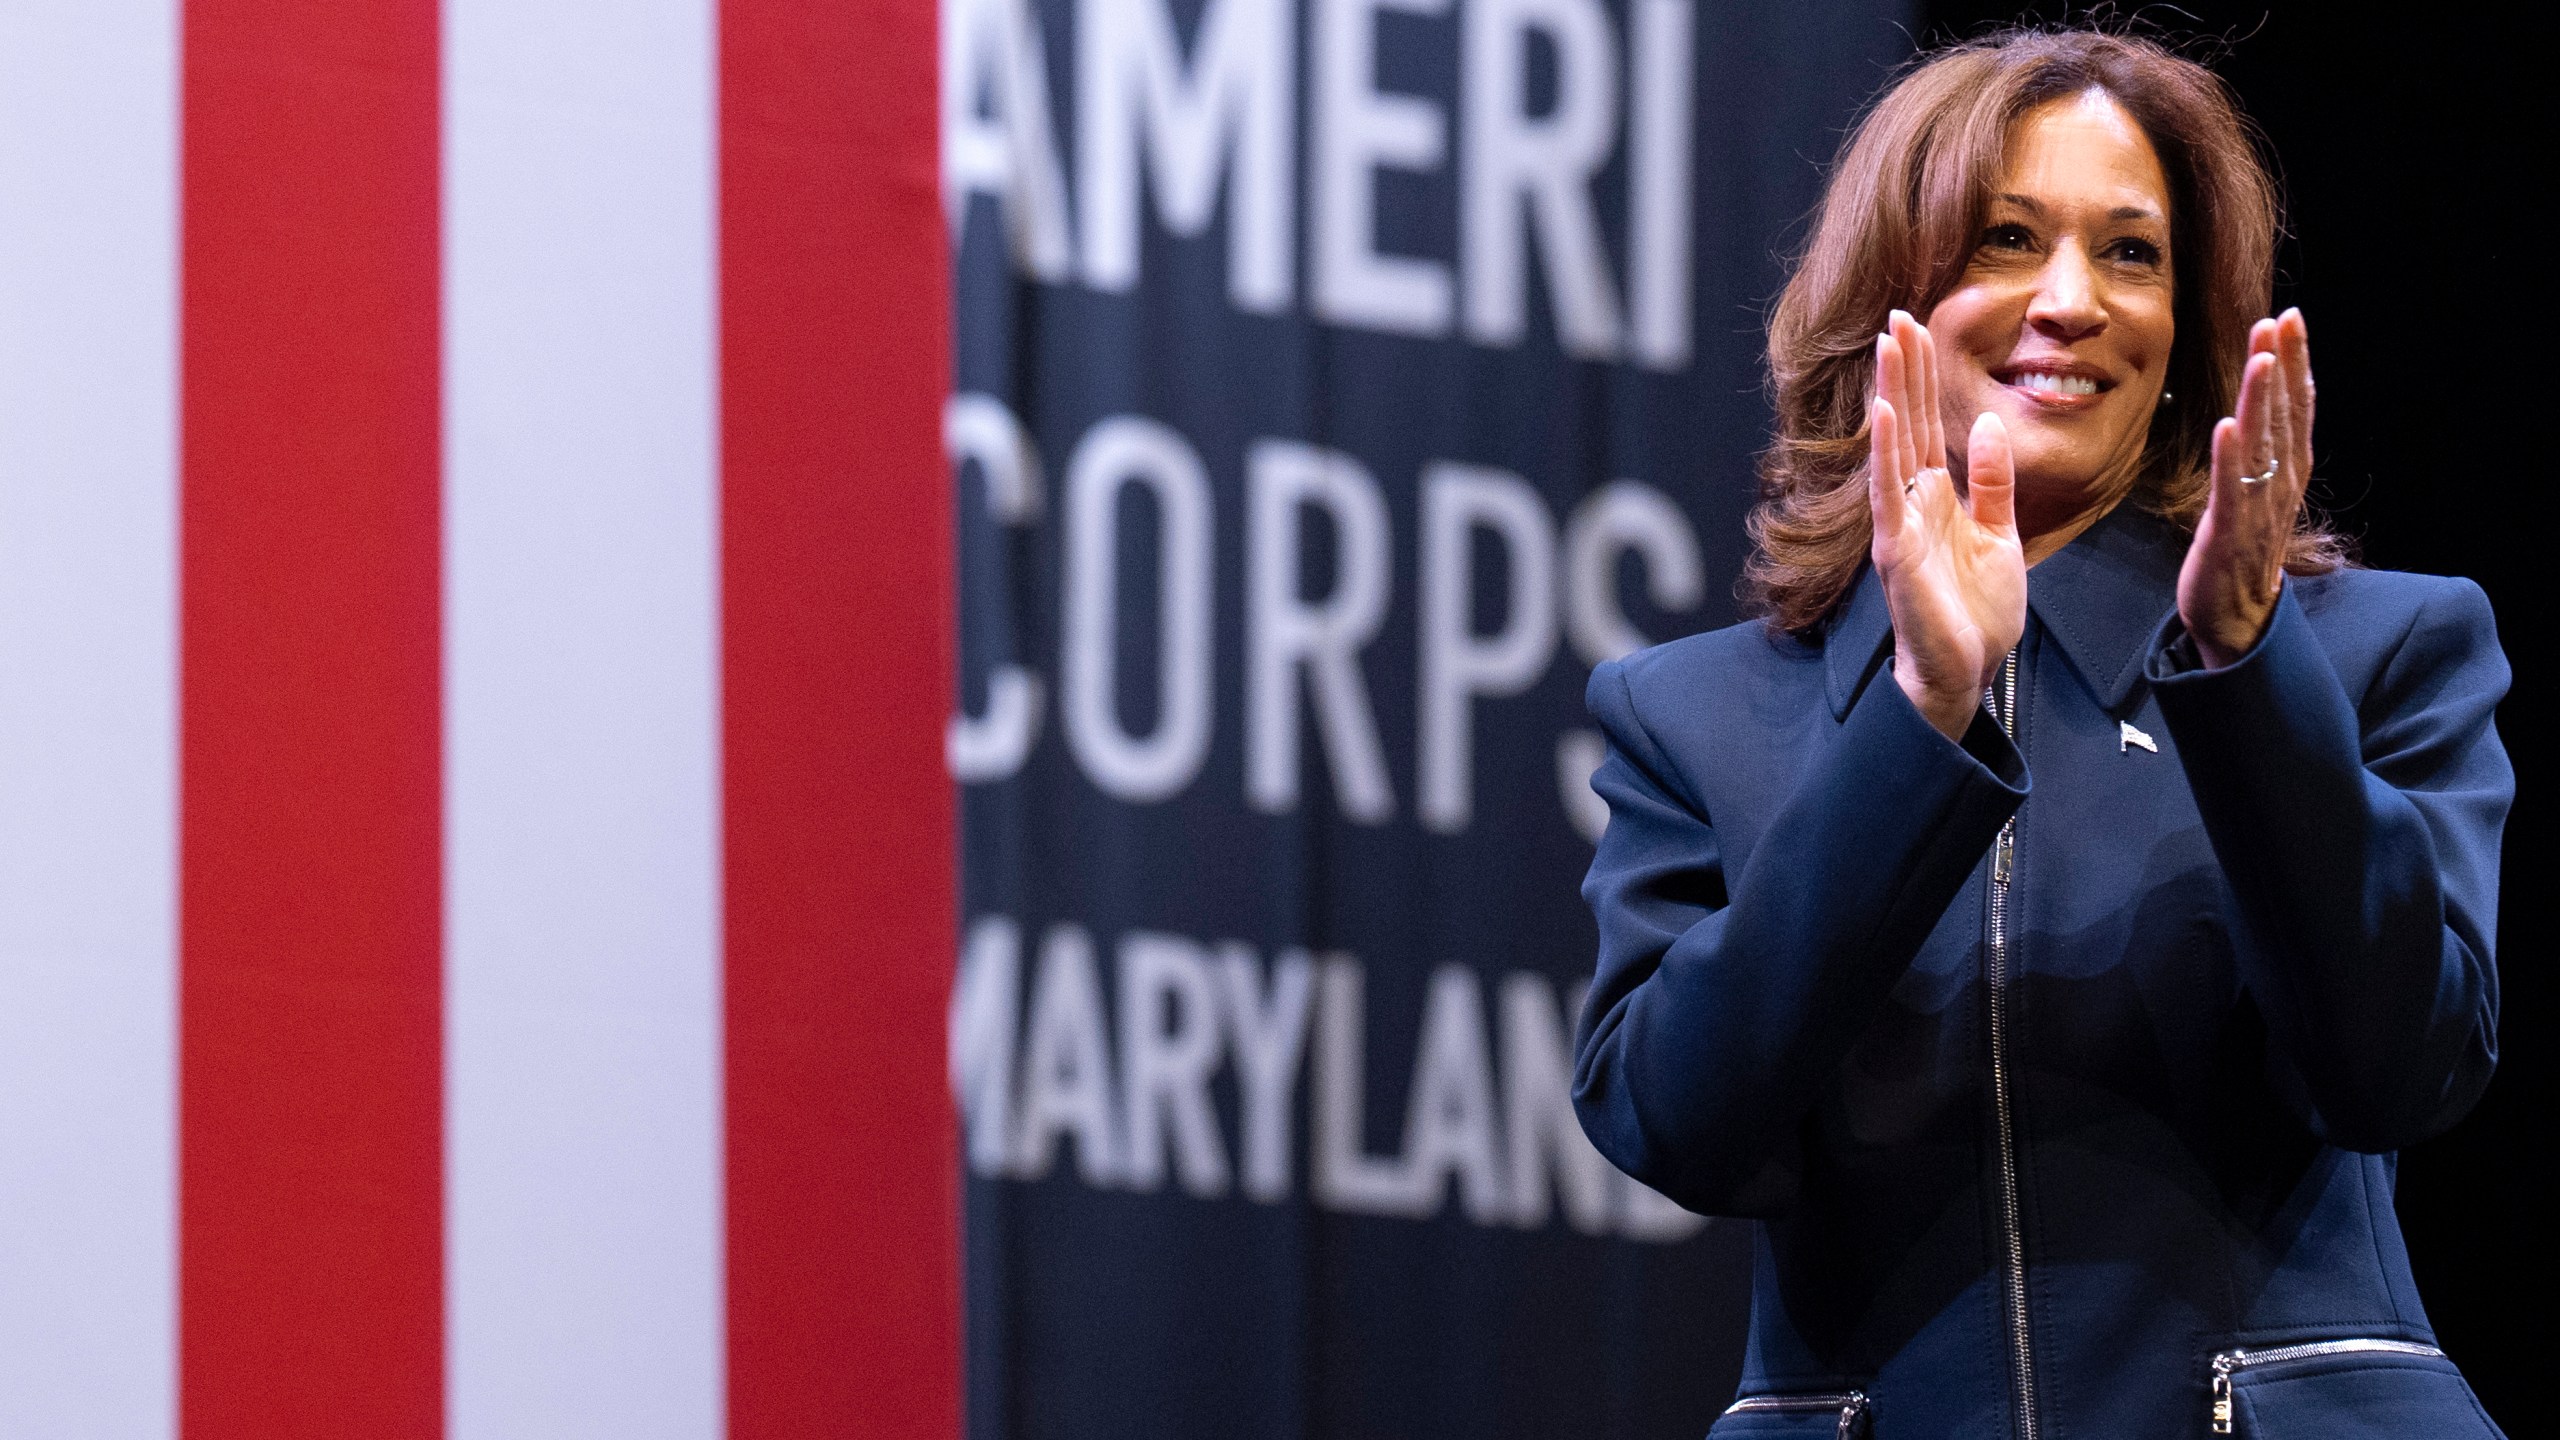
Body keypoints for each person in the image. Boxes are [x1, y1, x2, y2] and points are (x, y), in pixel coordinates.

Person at [1571, 28, 2510, 1439]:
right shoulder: (1694, 716)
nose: (2072, 301)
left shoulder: (2376, 652)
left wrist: (2244, 666)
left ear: (2190, 325)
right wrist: (1922, 720)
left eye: (2132, 254)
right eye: (2008, 239)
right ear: (1890, 294)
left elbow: (2401, 1065)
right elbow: (1680, 1128)